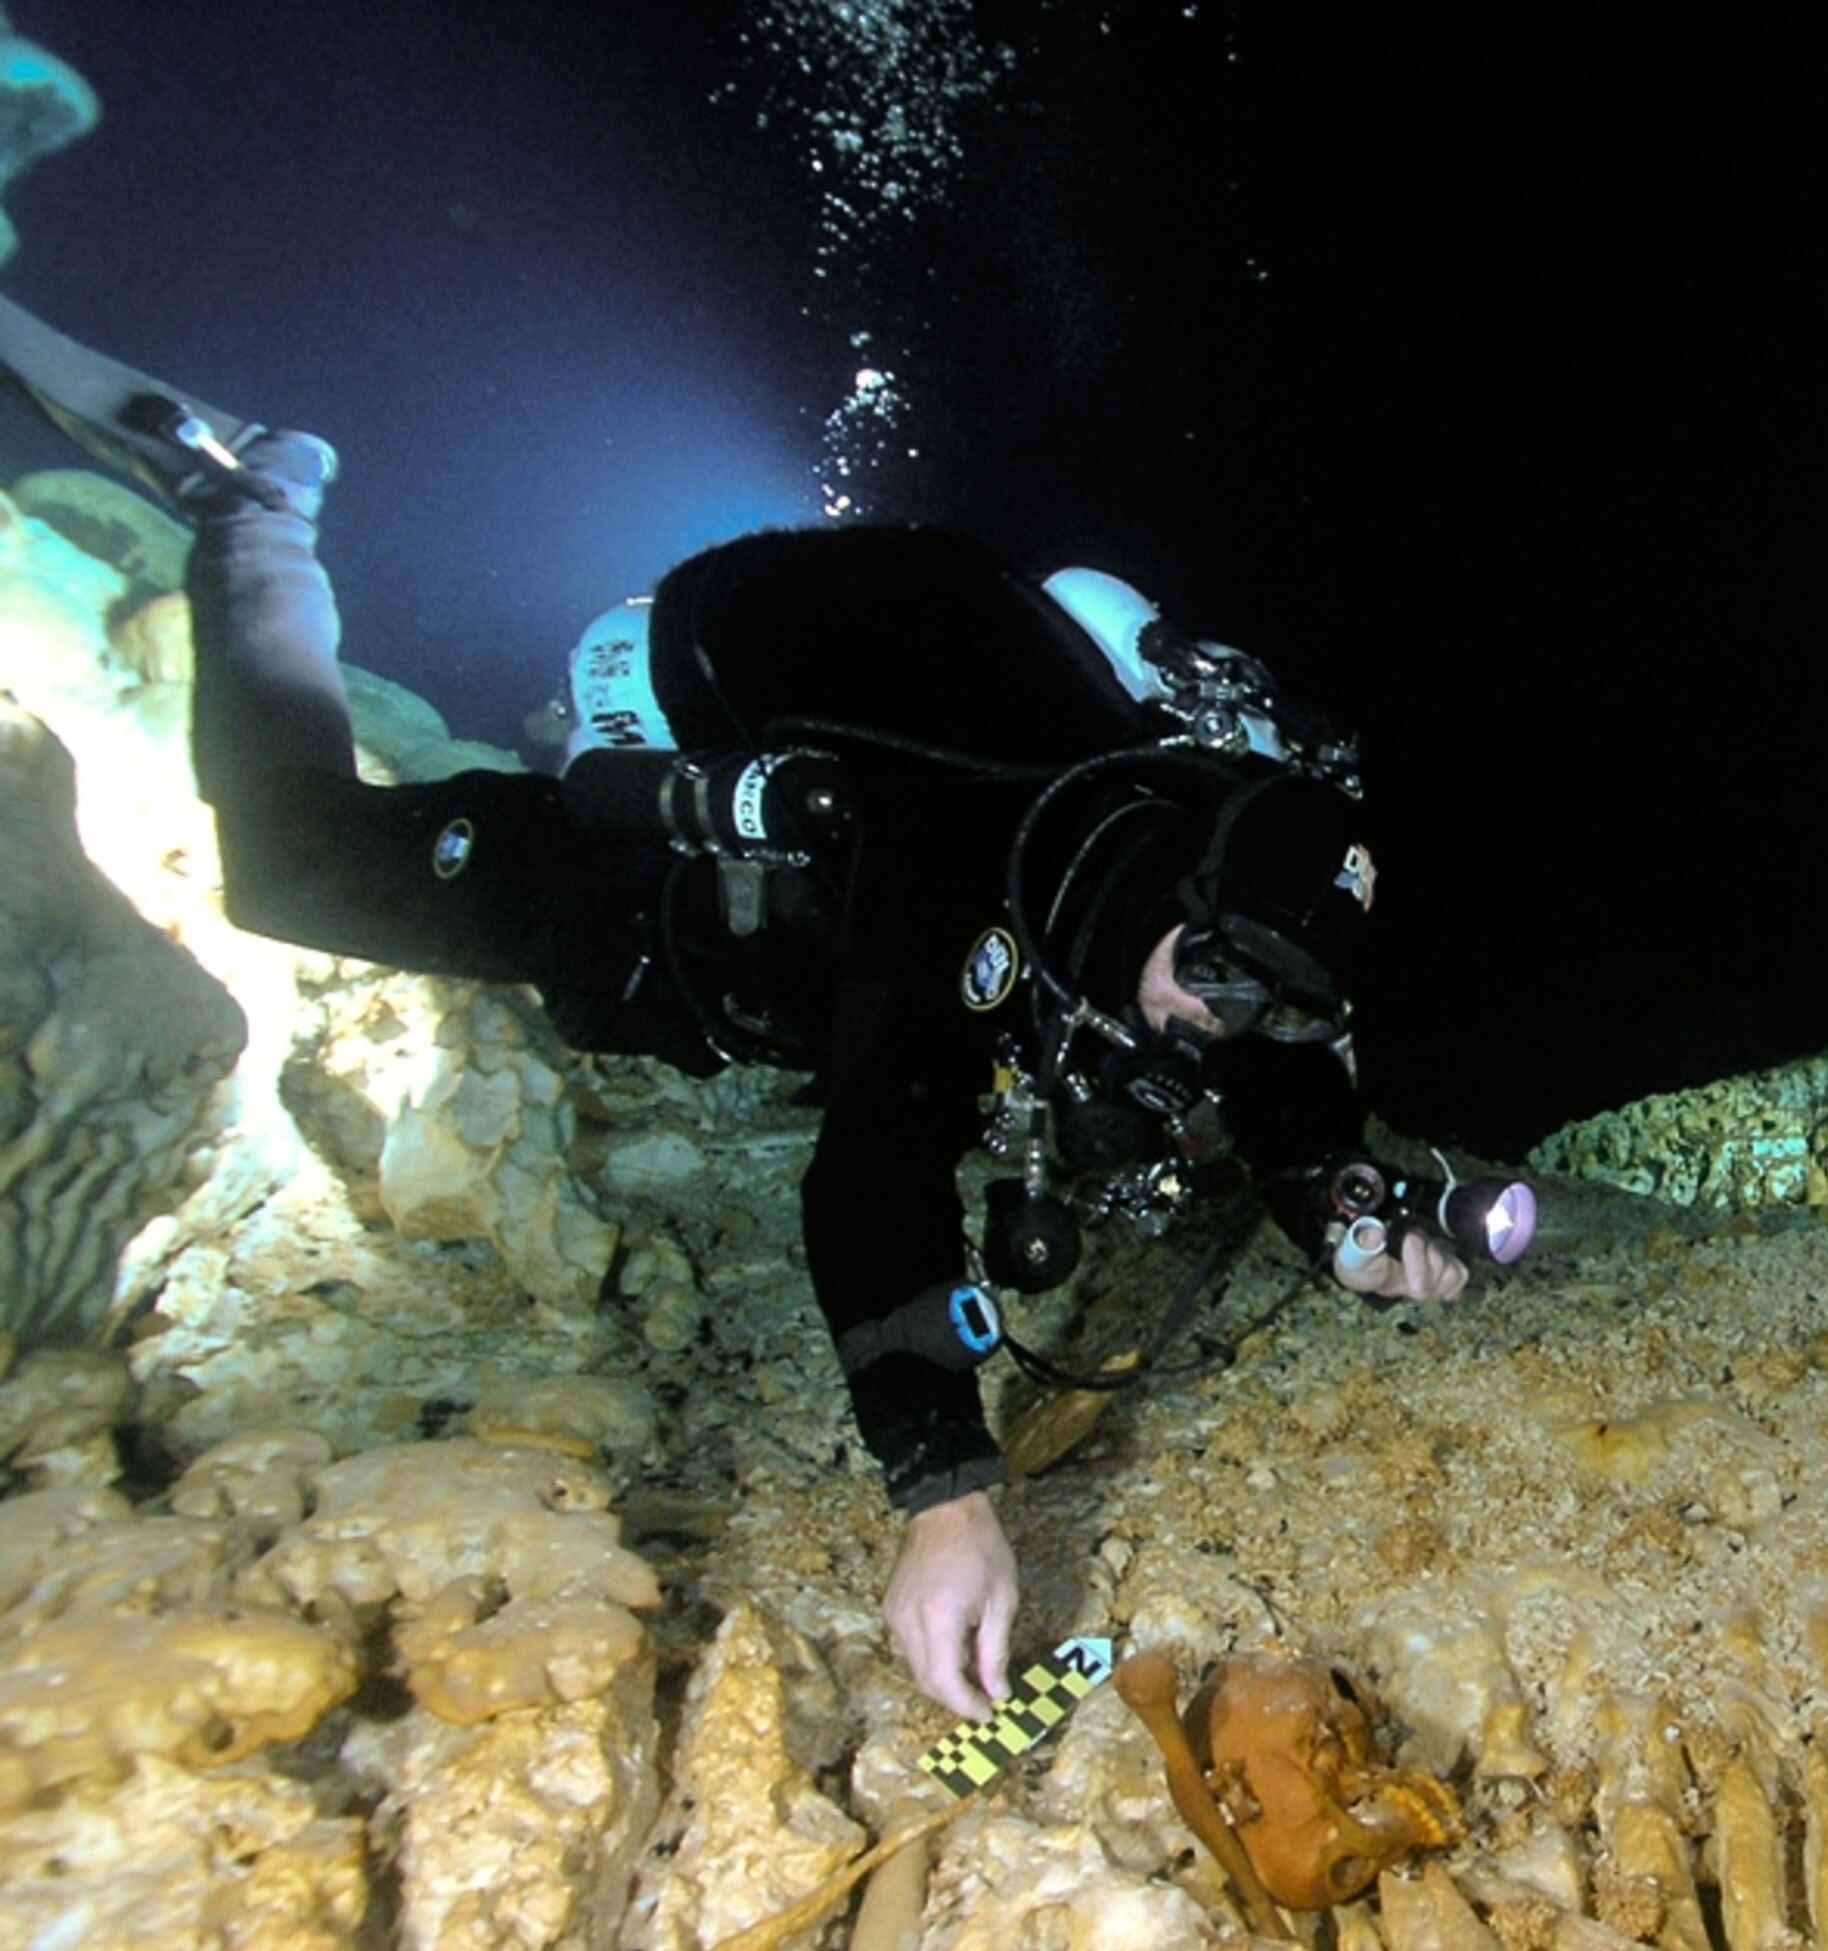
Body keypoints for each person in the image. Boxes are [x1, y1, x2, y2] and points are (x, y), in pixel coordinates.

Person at [0, 292, 1480, 1720]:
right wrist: (943, 1488)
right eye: (1219, 973)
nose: (1217, 1023)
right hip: (633, 919)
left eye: (1263, 1000)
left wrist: (1339, 1198)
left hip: (800, 912)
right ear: (1173, 882)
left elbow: (1278, 1076)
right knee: (289, 871)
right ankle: (258, 511)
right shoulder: (962, 854)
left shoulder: (1167, 932)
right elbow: (874, 1166)